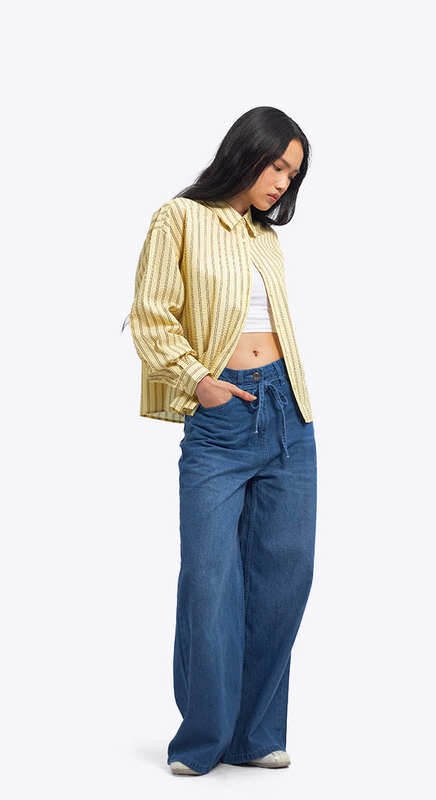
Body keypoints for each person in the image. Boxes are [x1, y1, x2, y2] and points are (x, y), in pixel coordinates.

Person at [123, 106, 317, 776]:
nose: (282, 182)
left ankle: (254, 735)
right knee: (210, 580)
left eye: (292, 174)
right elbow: (151, 315)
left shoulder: (267, 239)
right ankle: (204, 737)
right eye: (276, 165)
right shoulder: (179, 219)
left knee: (284, 578)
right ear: (246, 152)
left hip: (288, 411)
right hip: (222, 416)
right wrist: (198, 381)